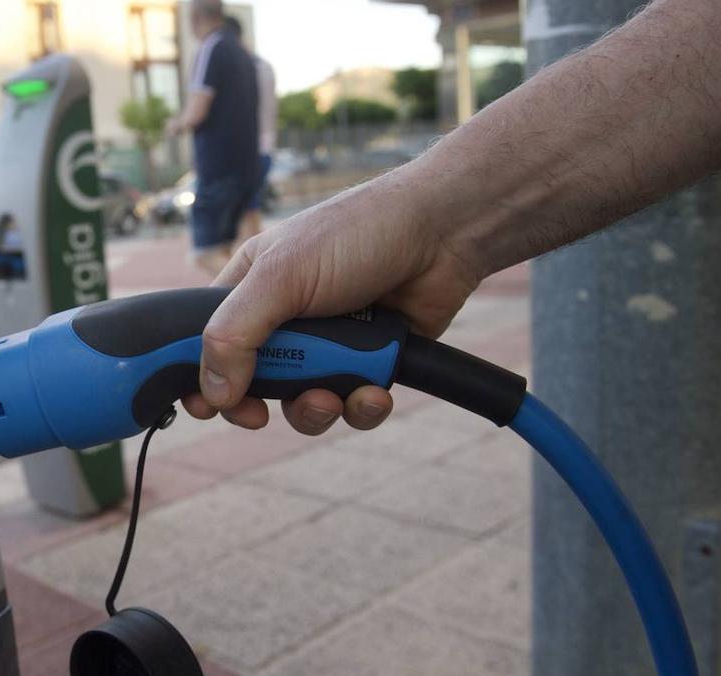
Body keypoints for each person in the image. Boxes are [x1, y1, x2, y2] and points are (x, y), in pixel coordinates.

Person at [181, 0, 721, 436]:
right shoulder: (248, 59)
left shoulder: (211, 51)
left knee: (213, 254)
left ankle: (238, 326)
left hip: (220, 168)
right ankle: (247, 322)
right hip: (253, 168)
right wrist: (438, 226)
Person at [167, 0, 261, 276]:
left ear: (194, 17)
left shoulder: (211, 47)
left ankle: (259, 301)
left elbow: (196, 111)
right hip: (246, 164)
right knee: (235, 250)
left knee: (205, 253)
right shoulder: (242, 52)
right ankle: (261, 301)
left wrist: (175, 124)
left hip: (219, 167)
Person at [223, 14, 278, 248]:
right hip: (262, 148)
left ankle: (259, 276)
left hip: (249, 152)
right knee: (249, 219)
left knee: (245, 225)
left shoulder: (245, 66)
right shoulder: (261, 65)